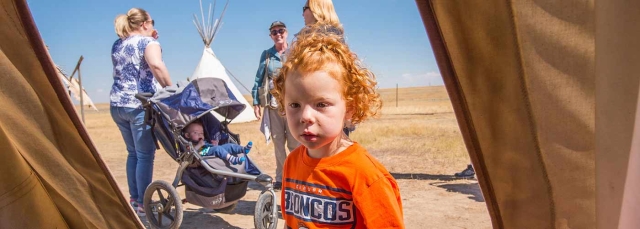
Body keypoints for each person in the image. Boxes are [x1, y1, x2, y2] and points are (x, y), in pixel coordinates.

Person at [271, 25, 405, 228]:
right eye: (294, 105)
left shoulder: (366, 176)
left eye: (321, 104)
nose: (306, 116)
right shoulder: (291, 163)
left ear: (350, 108)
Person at [111, 7, 172, 217]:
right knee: (145, 155)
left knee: (133, 153)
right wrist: (172, 90)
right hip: (139, 105)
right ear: (145, 23)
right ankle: (143, 203)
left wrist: (150, 39)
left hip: (118, 104)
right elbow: (156, 65)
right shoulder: (148, 43)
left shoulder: (118, 44)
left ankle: (134, 199)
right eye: (152, 22)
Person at [251, 21, 300, 190]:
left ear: (286, 32)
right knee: (278, 142)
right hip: (273, 105)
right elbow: (258, 79)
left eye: (281, 31)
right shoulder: (267, 55)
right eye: (274, 32)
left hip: (293, 104)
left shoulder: (294, 52)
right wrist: (256, 102)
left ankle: (295, 176)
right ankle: (281, 177)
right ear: (270, 36)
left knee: (294, 143)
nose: (278, 34)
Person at [183, 121, 252, 165]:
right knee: (218, 149)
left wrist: (214, 144)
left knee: (228, 146)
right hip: (201, 152)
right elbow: (190, 153)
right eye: (195, 132)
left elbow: (211, 148)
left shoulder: (203, 140)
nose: (200, 134)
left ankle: (243, 149)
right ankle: (231, 159)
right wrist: (199, 145)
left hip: (210, 149)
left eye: (201, 133)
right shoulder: (189, 144)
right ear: (187, 135)